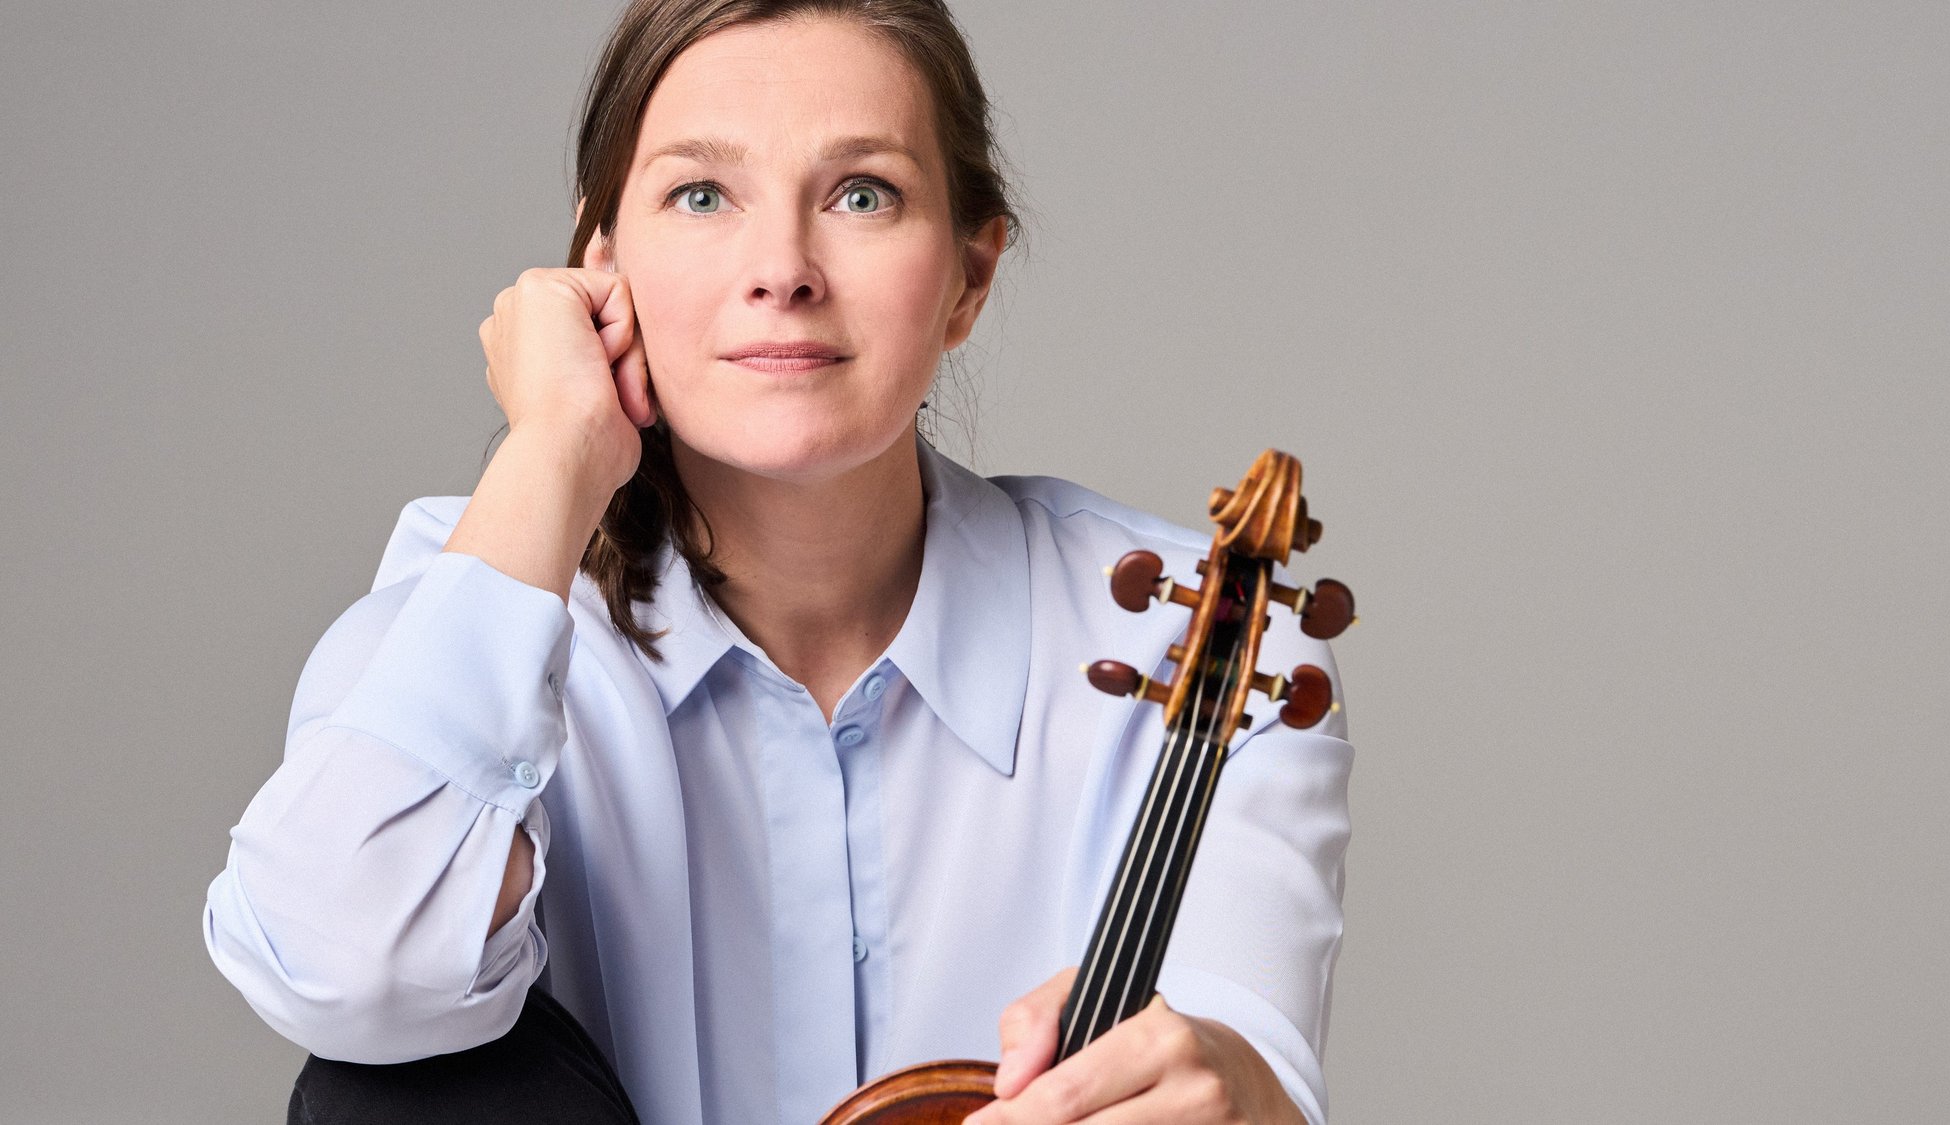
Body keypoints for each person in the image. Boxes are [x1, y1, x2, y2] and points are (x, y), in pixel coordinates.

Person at [202, 1, 1354, 1122]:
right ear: (603, 268)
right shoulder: (470, 606)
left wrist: (1229, 1094)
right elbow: (348, 975)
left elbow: (1246, 1057)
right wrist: (551, 451)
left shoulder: (1201, 642)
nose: (782, 270)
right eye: (701, 195)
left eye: (862, 194)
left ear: (968, 276)